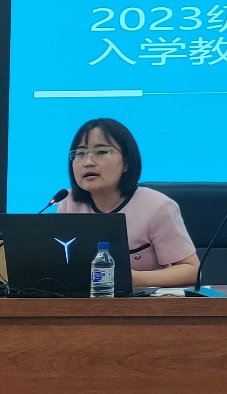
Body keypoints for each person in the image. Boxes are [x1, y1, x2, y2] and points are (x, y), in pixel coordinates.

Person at [59, 117, 200, 288]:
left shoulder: (157, 207)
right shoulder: (67, 202)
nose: (88, 162)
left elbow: (192, 271)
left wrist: (129, 278)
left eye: (101, 152)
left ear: (126, 163)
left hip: (144, 302)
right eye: (80, 153)